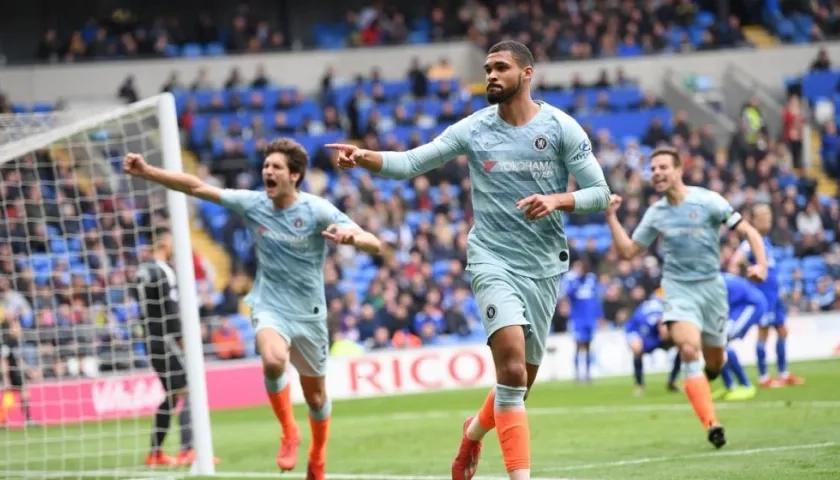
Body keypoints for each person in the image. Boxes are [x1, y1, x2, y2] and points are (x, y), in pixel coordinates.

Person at [325, 40, 610, 480]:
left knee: (518, 386)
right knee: (511, 366)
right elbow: (410, 163)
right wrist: (366, 157)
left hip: (543, 266)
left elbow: (600, 193)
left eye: (501, 68)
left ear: (527, 73)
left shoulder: (561, 128)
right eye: (487, 68)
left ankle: (472, 434)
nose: (491, 75)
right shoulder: (473, 129)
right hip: (491, 257)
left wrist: (559, 199)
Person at [123, 138, 383, 480]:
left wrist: (353, 239)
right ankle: (289, 432)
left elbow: (374, 243)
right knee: (274, 359)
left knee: (317, 398)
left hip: (310, 314)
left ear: (295, 175)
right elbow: (197, 186)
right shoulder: (254, 203)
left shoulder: (317, 210)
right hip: (270, 305)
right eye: (266, 166)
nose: (268, 172)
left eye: (276, 167)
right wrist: (148, 172)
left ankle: (317, 458)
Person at [605, 146, 768, 449]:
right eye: (652, 169)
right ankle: (712, 424)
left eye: (663, 167)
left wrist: (760, 264)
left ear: (679, 170)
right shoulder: (656, 213)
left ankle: (704, 381)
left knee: (715, 362)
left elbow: (749, 232)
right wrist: (611, 217)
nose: (656, 173)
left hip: (712, 289)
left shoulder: (708, 201)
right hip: (678, 290)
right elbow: (628, 251)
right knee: (689, 349)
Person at [132, 230, 215, 466]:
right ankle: (186, 450)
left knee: (171, 394)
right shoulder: (164, 270)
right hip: (166, 338)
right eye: (170, 239)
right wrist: (181, 337)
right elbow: (169, 308)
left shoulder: (141, 271)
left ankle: (155, 452)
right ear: (163, 242)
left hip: (150, 339)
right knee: (189, 388)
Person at [727, 204, 805, 388]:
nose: (767, 222)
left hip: (774, 296)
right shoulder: (749, 243)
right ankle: (763, 377)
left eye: (769, 218)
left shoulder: (766, 241)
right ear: (755, 220)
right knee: (763, 335)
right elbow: (735, 262)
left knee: (782, 332)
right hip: (762, 297)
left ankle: (783, 373)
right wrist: (749, 271)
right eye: (764, 218)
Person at [714, 273, 767, 401]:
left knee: (721, 341)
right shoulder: (712, 280)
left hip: (750, 305)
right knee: (715, 344)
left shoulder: (712, 284)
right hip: (738, 307)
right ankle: (729, 386)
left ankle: (746, 385)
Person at [624, 288, 681, 396]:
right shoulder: (646, 317)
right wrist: (632, 339)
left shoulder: (668, 309)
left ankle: (672, 381)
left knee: (683, 347)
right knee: (637, 349)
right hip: (644, 335)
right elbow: (631, 328)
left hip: (658, 336)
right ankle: (639, 384)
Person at [562, 260, 603, 383]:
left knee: (589, 346)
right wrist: (576, 281)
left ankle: (588, 374)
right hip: (577, 318)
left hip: (590, 318)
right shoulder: (571, 279)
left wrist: (600, 315)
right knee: (578, 345)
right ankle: (577, 374)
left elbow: (597, 297)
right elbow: (567, 295)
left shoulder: (592, 279)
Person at [0, 318, 32, 427]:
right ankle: (3, 421)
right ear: (10, 329)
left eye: (19, 327)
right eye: (16, 327)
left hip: (15, 371)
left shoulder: (17, 342)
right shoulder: (7, 342)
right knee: (6, 395)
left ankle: (28, 419)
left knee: (24, 393)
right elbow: (3, 360)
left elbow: (18, 359)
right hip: (8, 372)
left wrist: (29, 370)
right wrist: (5, 378)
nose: (19, 330)